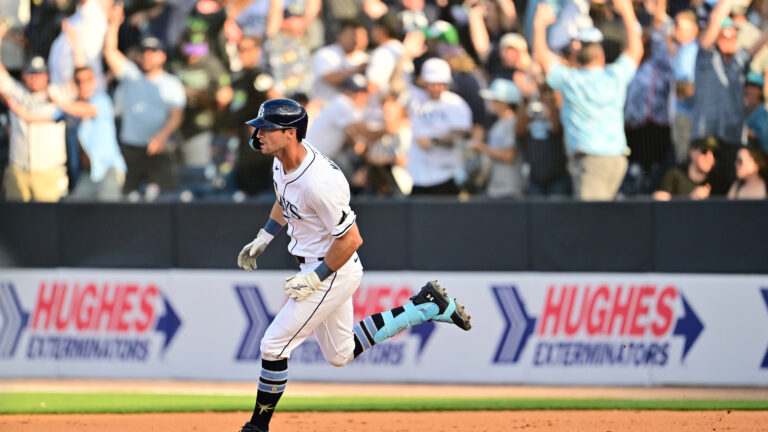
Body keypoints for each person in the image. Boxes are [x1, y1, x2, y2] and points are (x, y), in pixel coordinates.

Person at [234, 98, 471, 432]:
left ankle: (257, 427)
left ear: (290, 134)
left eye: (267, 127)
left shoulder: (320, 181)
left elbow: (351, 240)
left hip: (333, 267)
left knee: (273, 345)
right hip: (319, 266)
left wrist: (316, 278)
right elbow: (284, 199)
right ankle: (424, 307)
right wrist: (266, 235)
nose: (258, 133)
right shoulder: (281, 162)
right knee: (340, 354)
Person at [532, 0, 643, 201]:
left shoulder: (570, 80)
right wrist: (627, 12)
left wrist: (539, 25)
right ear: (600, 56)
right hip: (616, 159)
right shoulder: (614, 75)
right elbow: (636, 52)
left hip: (591, 162)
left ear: (576, 55)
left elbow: (541, 56)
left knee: (591, 226)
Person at [104, 3, 186, 196]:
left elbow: (176, 115)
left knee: (164, 196)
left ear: (162, 56)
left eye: (153, 51)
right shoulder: (130, 75)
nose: (148, 56)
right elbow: (110, 52)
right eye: (144, 51)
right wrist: (114, 23)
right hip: (131, 149)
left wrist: (162, 135)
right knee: (128, 196)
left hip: (159, 149)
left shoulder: (171, 83)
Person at [691, 0, 768, 194]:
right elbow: (716, 19)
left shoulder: (738, 62)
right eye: (725, 35)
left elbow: (761, 41)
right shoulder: (705, 58)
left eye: (734, 35)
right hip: (707, 145)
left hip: (734, 144)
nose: (731, 38)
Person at [0, 23, 68, 202]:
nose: (35, 77)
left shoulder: (57, 94)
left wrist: (12, 104)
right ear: (23, 75)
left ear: (47, 75)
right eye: (31, 73)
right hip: (19, 169)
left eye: (39, 73)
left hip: (48, 172)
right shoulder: (18, 92)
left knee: (48, 223)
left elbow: (29, 117)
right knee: (16, 223)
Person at [407, 57, 472, 195]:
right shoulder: (414, 99)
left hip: (446, 175)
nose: (437, 88)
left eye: (441, 83)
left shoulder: (456, 104)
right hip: (418, 175)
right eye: (432, 83)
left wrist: (433, 141)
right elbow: (393, 90)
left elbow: (458, 136)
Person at [473, 78, 525, 199]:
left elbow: (509, 156)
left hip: (510, 189)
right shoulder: (498, 124)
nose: (491, 103)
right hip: (495, 188)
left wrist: (482, 147)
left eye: (494, 100)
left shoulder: (513, 123)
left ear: (505, 102)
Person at [653, 136, 718, 201]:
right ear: (692, 153)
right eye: (704, 151)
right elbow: (661, 201)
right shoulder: (675, 176)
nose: (710, 158)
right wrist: (689, 199)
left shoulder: (717, 181)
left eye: (714, 154)